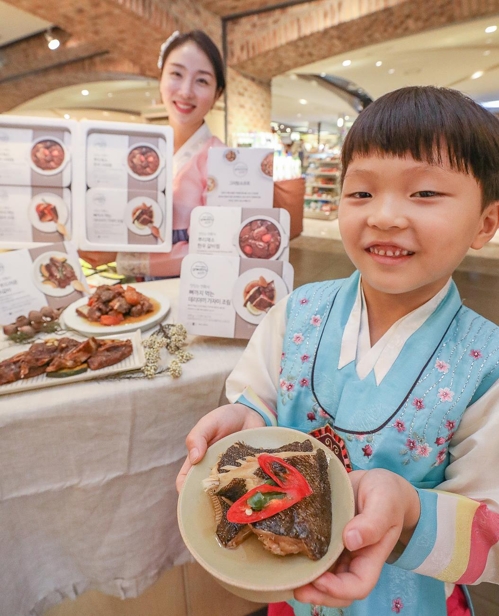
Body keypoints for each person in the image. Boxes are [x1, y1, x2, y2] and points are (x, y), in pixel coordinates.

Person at [176, 86, 499, 616]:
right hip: (294, 586)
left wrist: (410, 508)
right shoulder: (296, 311)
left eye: (424, 194)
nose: (385, 216)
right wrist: (239, 417)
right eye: (362, 193)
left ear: (485, 222)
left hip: (410, 600)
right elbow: (258, 400)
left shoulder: (486, 364)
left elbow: (491, 534)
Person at [80, 30, 225, 277]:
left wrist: (121, 258)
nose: (186, 91)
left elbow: (217, 251)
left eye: (202, 80)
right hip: (141, 293)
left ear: (217, 94)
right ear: (160, 80)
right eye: (176, 74)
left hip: (193, 295)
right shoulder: (141, 150)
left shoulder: (221, 160)